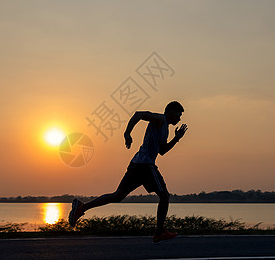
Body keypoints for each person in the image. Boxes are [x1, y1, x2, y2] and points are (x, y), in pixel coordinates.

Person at [69, 101, 188, 244]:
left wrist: (176, 138)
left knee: (117, 195)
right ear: (170, 111)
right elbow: (139, 114)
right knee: (164, 196)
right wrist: (127, 133)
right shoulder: (160, 119)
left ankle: (82, 207)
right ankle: (159, 232)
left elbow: (161, 151)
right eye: (178, 114)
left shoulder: (165, 128)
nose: (179, 118)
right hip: (146, 165)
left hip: (137, 164)